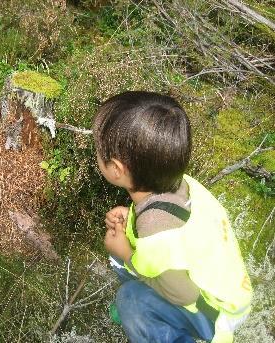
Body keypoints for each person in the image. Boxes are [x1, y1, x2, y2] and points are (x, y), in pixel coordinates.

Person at [93, 91, 252, 343]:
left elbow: (183, 295)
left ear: (116, 169)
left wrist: (127, 255)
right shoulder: (180, 184)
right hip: (232, 291)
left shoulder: (156, 229)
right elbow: (172, 238)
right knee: (121, 252)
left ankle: (161, 323)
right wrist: (131, 219)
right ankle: (159, 311)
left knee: (130, 299)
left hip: (216, 314)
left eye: (98, 151)